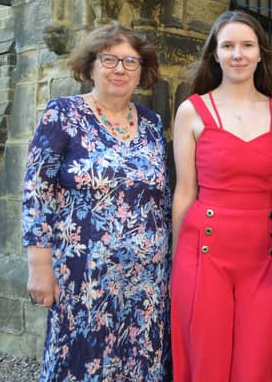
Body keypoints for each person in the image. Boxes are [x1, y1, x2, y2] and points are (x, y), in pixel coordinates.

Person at [22, 22, 172, 381]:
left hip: (147, 278)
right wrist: (38, 265)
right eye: (109, 59)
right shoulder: (63, 115)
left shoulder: (152, 124)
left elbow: (163, 198)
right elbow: (36, 190)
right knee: (79, 362)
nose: (120, 69)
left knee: (140, 362)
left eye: (130, 61)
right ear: (90, 66)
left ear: (142, 71)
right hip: (83, 276)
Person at [170, 10, 272, 381]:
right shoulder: (191, 111)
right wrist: (177, 262)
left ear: (260, 54)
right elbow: (184, 191)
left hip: (266, 254)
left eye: (246, 45)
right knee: (207, 359)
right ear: (215, 54)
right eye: (228, 45)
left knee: (258, 363)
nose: (237, 53)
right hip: (203, 253)